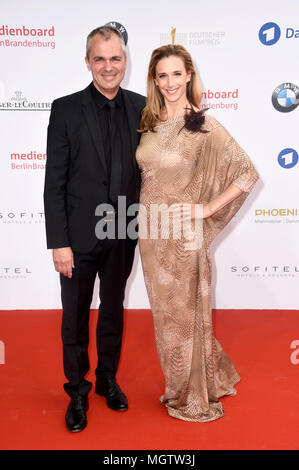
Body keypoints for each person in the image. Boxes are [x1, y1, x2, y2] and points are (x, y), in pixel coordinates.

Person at [136, 44, 259, 422]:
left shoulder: (203, 125)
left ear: (189, 75)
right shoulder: (150, 123)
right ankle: (194, 379)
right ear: (154, 80)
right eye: (162, 75)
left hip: (183, 237)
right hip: (150, 234)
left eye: (177, 74)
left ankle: (190, 394)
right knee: (165, 315)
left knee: (184, 315)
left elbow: (247, 173)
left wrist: (206, 209)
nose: (170, 82)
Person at [44, 25, 145, 432]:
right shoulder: (65, 109)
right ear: (88, 62)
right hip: (79, 238)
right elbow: (55, 182)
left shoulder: (141, 108)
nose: (108, 66)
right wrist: (59, 243)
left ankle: (106, 379)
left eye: (115, 58)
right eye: (99, 59)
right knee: (74, 317)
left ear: (125, 61)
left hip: (124, 231)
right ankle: (77, 390)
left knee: (113, 312)